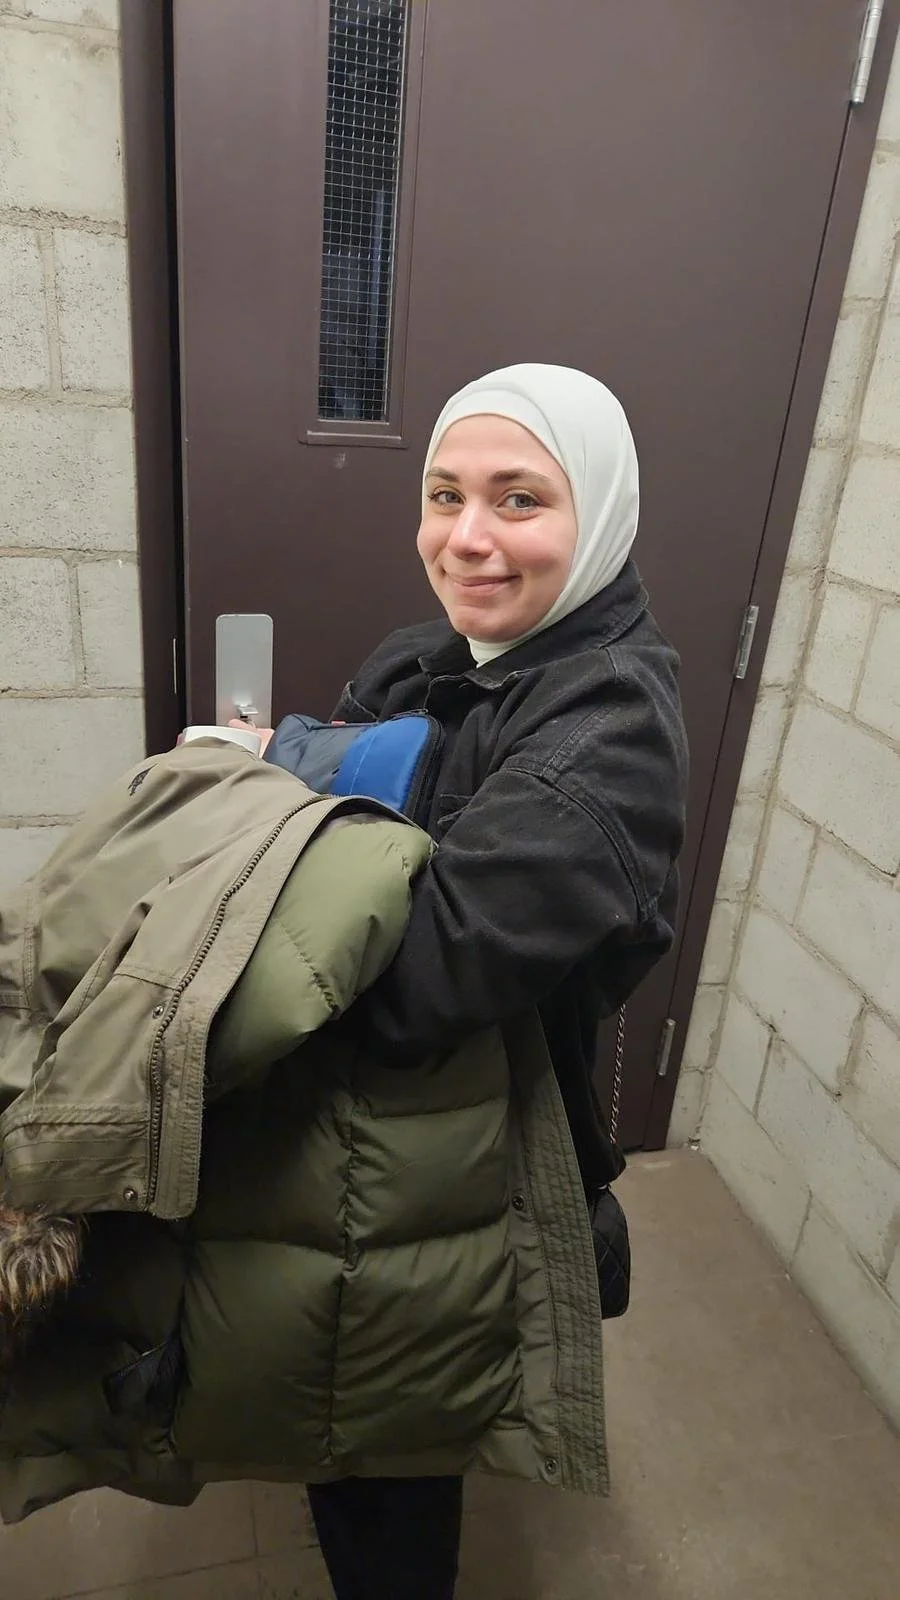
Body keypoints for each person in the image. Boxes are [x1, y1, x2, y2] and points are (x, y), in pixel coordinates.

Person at [297, 363, 689, 1600]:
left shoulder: (608, 730)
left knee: (388, 1438)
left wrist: (287, 797)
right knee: (335, 1400)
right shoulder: (428, 656)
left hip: (469, 1158)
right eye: (443, 495)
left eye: (519, 499)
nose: (466, 537)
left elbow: (412, 977)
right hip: (373, 1138)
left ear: (600, 513)